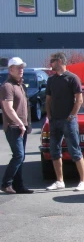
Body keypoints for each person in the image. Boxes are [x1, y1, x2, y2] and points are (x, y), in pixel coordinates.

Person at [45, 52, 84, 191]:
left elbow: (79, 99)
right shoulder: (51, 80)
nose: (50, 63)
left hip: (68, 121)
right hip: (54, 120)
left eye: (52, 61)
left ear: (59, 61)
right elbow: (48, 100)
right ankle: (59, 181)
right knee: (54, 150)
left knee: (75, 150)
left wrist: (71, 116)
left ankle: (83, 181)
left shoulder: (73, 78)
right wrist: (49, 116)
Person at [1, 57, 34, 194]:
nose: (21, 70)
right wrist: (20, 124)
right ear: (10, 69)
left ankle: (18, 186)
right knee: (18, 155)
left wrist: (27, 124)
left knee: (21, 156)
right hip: (14, 127)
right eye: (18, 67)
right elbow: (8, 108)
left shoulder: (20, 85)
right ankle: (6, 183)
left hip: (23, 126)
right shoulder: (7, 86)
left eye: (22, 67)